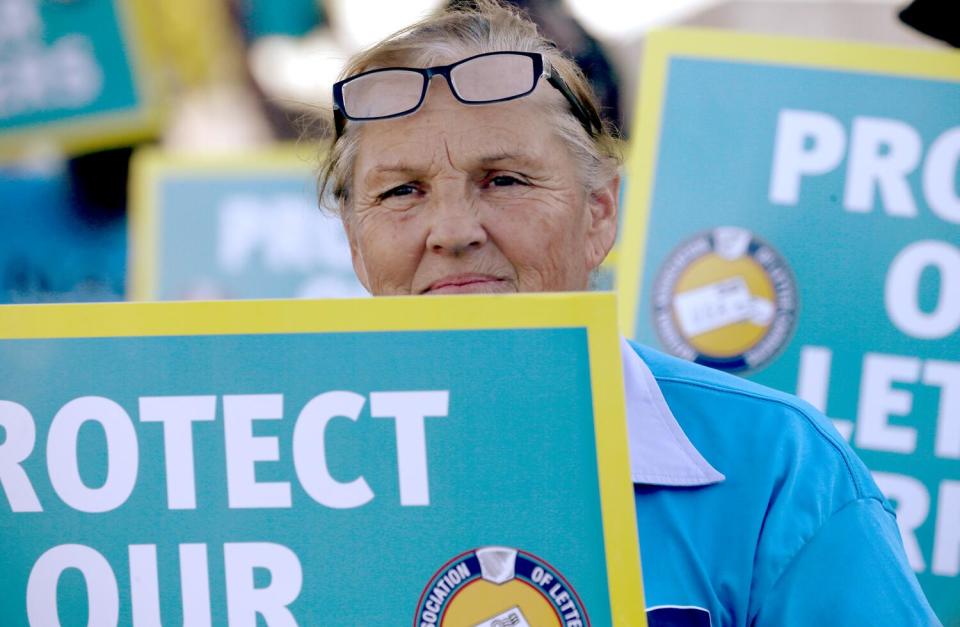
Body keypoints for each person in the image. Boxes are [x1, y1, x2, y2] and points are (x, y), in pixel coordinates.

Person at [317, 1, 940, 624]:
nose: (452, 232)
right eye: (401, 191)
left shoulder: (777, 466)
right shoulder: (265, 474)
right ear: (354, 240)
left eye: (503, 180)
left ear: (599, 213)